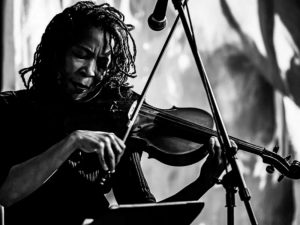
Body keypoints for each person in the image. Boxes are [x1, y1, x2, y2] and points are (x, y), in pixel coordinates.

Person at [0, 1, 235, 225]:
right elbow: (7, 193)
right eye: (81, 54)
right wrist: (72, 142)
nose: (90, 71)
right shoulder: (13, 109)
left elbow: (148, 220)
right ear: (57, 52)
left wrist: (204, 182)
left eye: (103, 63)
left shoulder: (118, 121)